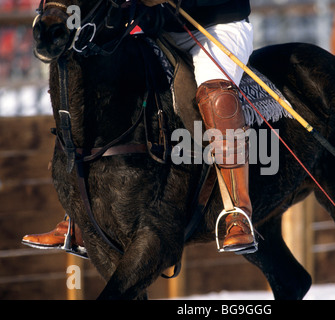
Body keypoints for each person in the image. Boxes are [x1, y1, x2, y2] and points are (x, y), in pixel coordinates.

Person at [22, 0, 257, 255]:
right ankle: (78, 219)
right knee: (100, 69)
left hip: (218, 26)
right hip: (159, 29)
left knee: (216, 97)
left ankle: (238, 211)